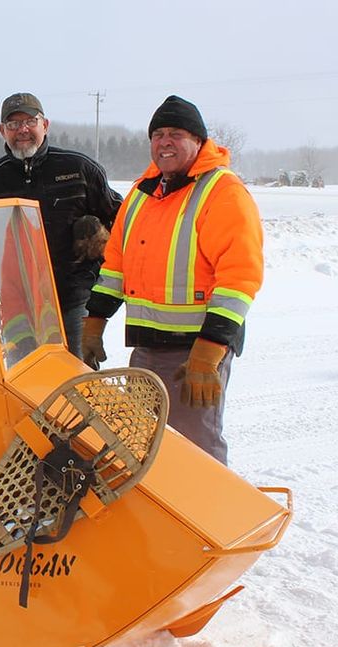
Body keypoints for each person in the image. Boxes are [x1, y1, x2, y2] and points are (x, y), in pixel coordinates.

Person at [82, 95, 264, 465]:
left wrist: (208, 354)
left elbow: (239, 278)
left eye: (176, 134)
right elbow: (116, 266)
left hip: (194, 353)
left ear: (198, 141)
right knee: (139, 445)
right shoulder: (142, 193)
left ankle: (209, 504)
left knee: (194, 450)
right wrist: (94, 323)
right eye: (158, 134)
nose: (165, 142)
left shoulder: (222, 191)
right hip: (147, 347)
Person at [0, 93, 122, 359]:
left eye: (30, 121)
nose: (22, 130)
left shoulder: (79, 169)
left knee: (76, 375)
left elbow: (123, 222)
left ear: (45, 125)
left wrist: (100, 248)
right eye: (13, 124)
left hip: (73, 300)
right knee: (24, 377)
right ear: (2, 130)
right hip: (16, 305)